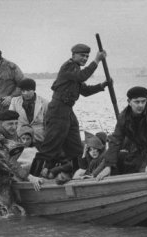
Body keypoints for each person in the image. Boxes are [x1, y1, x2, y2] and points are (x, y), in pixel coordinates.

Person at [31, 43, 109, 178]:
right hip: (57, 110)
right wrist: (96, 60)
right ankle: (33, 177)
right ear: (73, 55)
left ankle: (76, 176)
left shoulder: (76, 71)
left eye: (87, 56)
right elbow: (82, 76)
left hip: (67, 111)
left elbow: (84, 91)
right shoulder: (68, 67)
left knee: (76, 148)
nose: (85, 58)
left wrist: (102, 85)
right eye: (82, 55)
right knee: (50, 147)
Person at [9, 77, 48, 147]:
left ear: (34, 90)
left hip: (39, 137)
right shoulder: (14, 101)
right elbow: (10, 119)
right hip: (20, 136)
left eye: (28, 90)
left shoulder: (44, 102)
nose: (25, 93)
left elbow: (47, 121)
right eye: (23, 91)